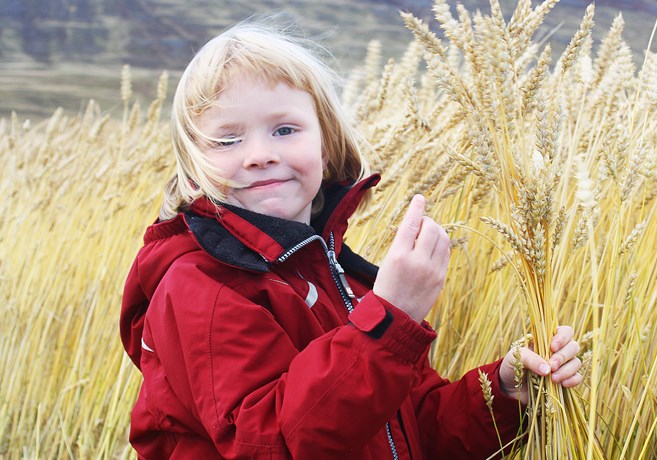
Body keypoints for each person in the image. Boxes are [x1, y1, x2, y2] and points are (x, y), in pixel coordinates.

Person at [120, 19, 582, 459]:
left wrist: (502, 393)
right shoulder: (199, 288)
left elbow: (411, 432)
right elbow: (275, 444)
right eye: (226, 140)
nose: (260, 155)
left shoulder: (342, 278)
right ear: (193, 163)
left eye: (285, 129)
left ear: (327, 143)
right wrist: (389, 324)